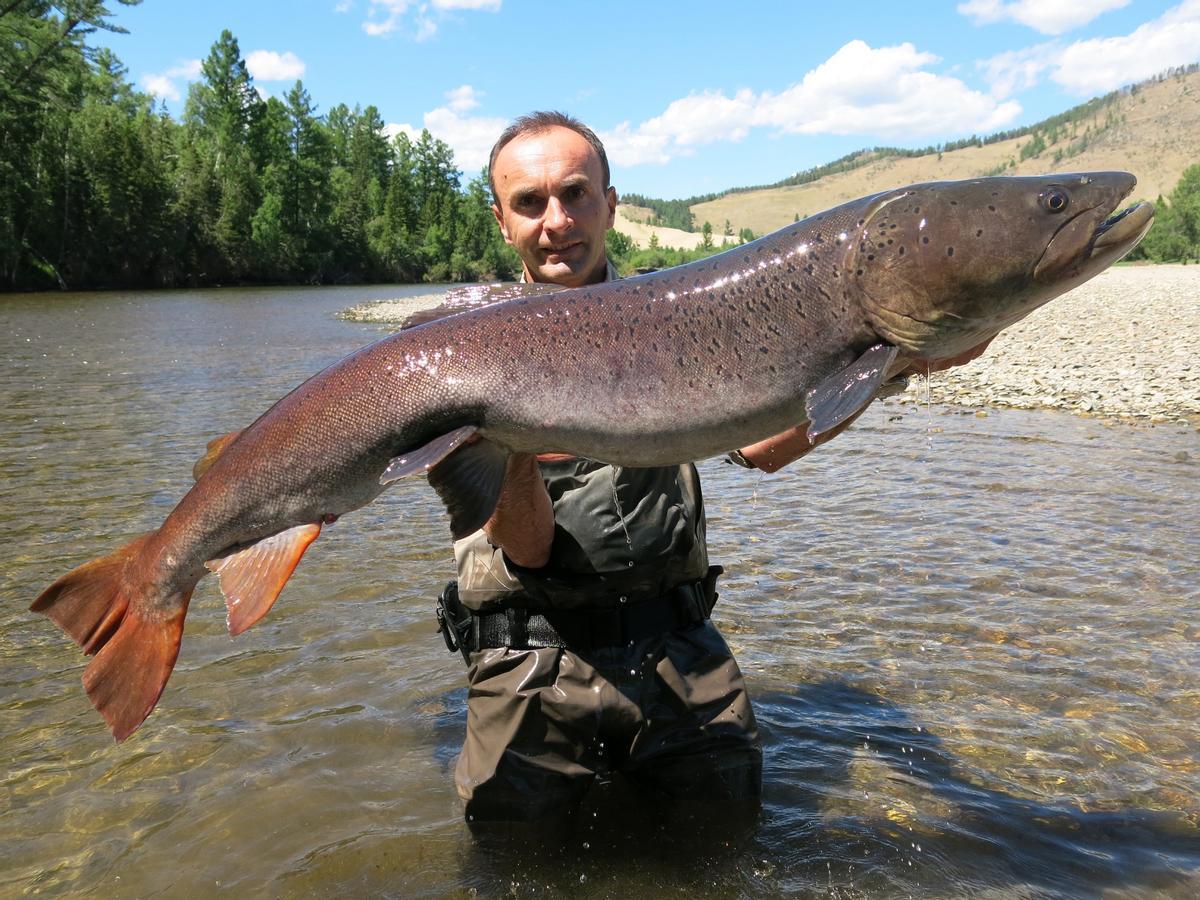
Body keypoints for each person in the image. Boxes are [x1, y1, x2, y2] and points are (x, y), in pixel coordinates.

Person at [439, 110, 987, 842]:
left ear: (610, 204)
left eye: (575, 193)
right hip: (530, 653)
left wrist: (896, 365)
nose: (557, 221)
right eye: (530, 202)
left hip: (677, 641)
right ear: (502, 221)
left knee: (725, 851)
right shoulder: (454, 354)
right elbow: (529, 549)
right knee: (515, 866)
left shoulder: (681, 316)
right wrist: (500, 429)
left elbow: (763, 449)